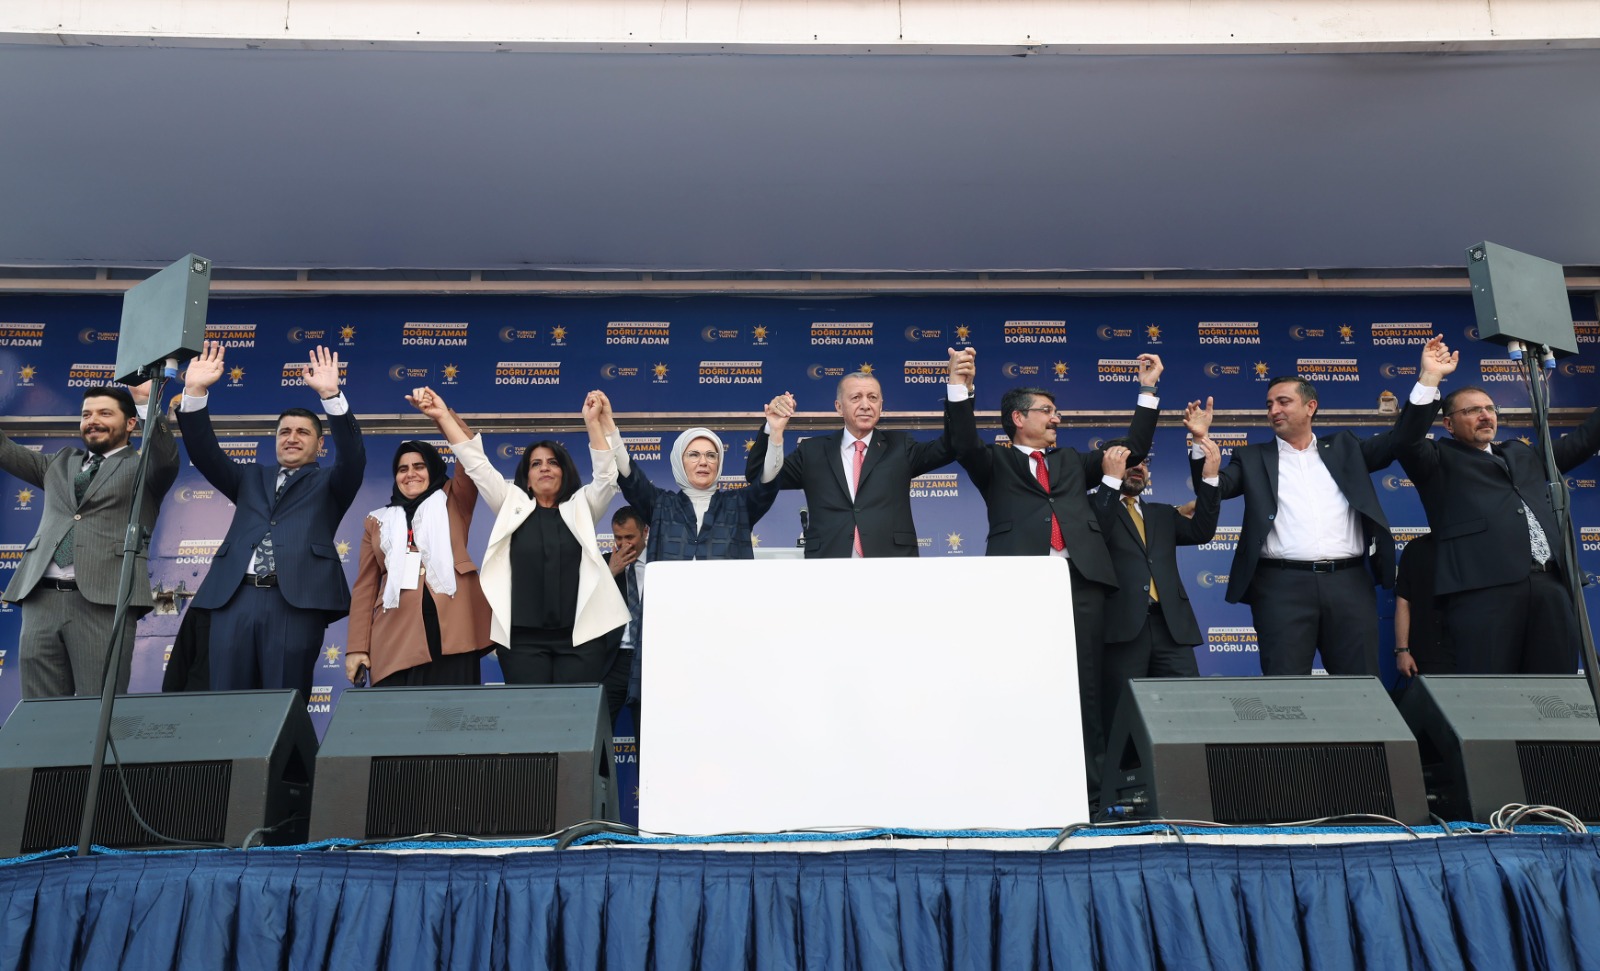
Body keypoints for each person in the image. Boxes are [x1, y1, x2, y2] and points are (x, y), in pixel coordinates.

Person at [946, 347, 1164, 797]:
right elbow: (962, 441)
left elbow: (1132, 449)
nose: (1056, 419)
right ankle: (1022, 783)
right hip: (1020, 587)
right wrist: (959, 387)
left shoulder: (1071, 462)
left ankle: (1093, 793)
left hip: (1079, 582)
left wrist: (1147, 391)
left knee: (1087, 686)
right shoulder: (994, 463)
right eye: (1046, 411)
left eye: (1056, 411)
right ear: (1018, 419)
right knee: (1021, 681)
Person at [1188, 335, 1454, 677]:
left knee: (1359, 684)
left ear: (1310, 407)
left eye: (1283, 402)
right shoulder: (1251, 458)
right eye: (1269, 404)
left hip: (1349, 584)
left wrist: (1429, 378)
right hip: (1280, 587)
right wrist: (1200, 444)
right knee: (1285, 690)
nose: (1274, 410)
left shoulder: (1346, 448)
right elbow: (1214, 489)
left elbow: (1402, 439)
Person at [178, 342, 366, 698]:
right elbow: (204, 453)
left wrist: (331, 397)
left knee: (283, 701)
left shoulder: (332, 482)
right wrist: (196, 392)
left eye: (303, 432)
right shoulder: (249, 477)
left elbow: (353, 457)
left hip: (295, 602)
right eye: (284, 432)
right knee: (226, 699)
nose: (292, 438)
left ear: (320, 444)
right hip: (234, 599)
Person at [419, 385, 630, 684]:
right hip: (522, 642)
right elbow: (476, 464)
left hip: (581, 638)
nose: (545, 468)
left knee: (575, 712)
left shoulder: (583, 506)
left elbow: (607, 476)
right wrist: (443, 416)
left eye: (553, 462)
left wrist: (592, 422)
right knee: (530, 712)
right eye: (536, 464)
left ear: (564, 473)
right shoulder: (510, 503)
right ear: (527, 479)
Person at [1395, 380, 1600, 674]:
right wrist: (1429, 379)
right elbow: (1405, 441)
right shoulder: (1437, 459)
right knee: (1493, 686)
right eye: (1472, 410)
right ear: (1449, 424)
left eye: (1490, 408)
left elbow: (1584, 441)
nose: (1485, 415)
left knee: (1555, 686)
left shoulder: (1521, 454)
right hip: (1485, 592)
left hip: (1550, 586)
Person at [0, 383, 176, 697]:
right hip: (41, 600)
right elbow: (4, 450)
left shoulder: (144, 468)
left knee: (98, 706)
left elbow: (164, 457)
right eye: (86, 415)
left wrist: (146, 402)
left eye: (105, 413)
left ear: (130, 423)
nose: (92, 420)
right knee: (39, 710)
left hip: (104, 601)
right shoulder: (59, 462)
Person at [744, 362, 963, 556]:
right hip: (830, 565)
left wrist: (957, 388)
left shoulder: (901, 446)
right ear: (839, 407)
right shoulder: (811, 451)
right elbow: (758, 475)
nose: (866, 405)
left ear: (881, 405)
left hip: (891, 566)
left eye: (872, 398)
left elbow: (954, 445)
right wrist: (772, 428)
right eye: (856, 398)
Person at [344, 414, 493, 687]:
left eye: (419, 466)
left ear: (433, 469)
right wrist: (356, 647)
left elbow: (470, 454)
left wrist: (442, 415)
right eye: (402, 469)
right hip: (394, 638)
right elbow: (365, 588)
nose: (410, 473)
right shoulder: (376, 521)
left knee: (453, 711)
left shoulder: (455, 499)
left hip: (454, 634)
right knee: (399, 713)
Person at [1094, 433, 1221, 733]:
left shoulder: (1162, 513)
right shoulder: (1090, 510)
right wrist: (1110, 483)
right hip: (1122, 629)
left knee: (1188, 713)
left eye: (1144, 462)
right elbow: (1098, 527)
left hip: (1171, 629)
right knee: (1120, 720)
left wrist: (1210, 478)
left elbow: (1202, 531)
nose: (1139, 467)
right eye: (1130, 461)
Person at [602, 506, 648, 730]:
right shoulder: (602, 564)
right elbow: (583, 607)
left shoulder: (661, 564)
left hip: (648, 660)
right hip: (613, 662)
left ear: (645, 532)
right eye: (618, 538)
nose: (624, 544)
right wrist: (610, 573)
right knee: (598, 732)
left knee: (647, 735)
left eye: (630, 537)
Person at [1393, 533, 1451, 679]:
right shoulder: (1416, 548)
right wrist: (1402, 651)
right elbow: (1403, 601)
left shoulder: (1475, 547)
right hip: (1428, 653)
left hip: (1472, 650)